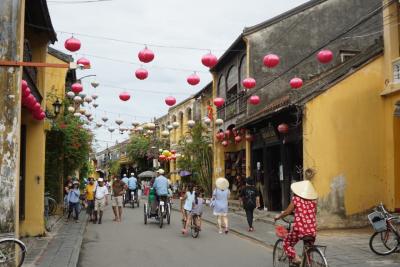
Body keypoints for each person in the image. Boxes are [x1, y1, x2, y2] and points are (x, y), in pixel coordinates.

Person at [274, 180, 318, 265]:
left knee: (286, 243)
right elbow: (313, 213)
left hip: (300, 229)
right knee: (307, 250)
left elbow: (287, 212)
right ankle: (307, 263)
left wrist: (278, 216)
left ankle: (295, 258)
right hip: (312, 230)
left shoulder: (296, 199)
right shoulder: (313, 202)